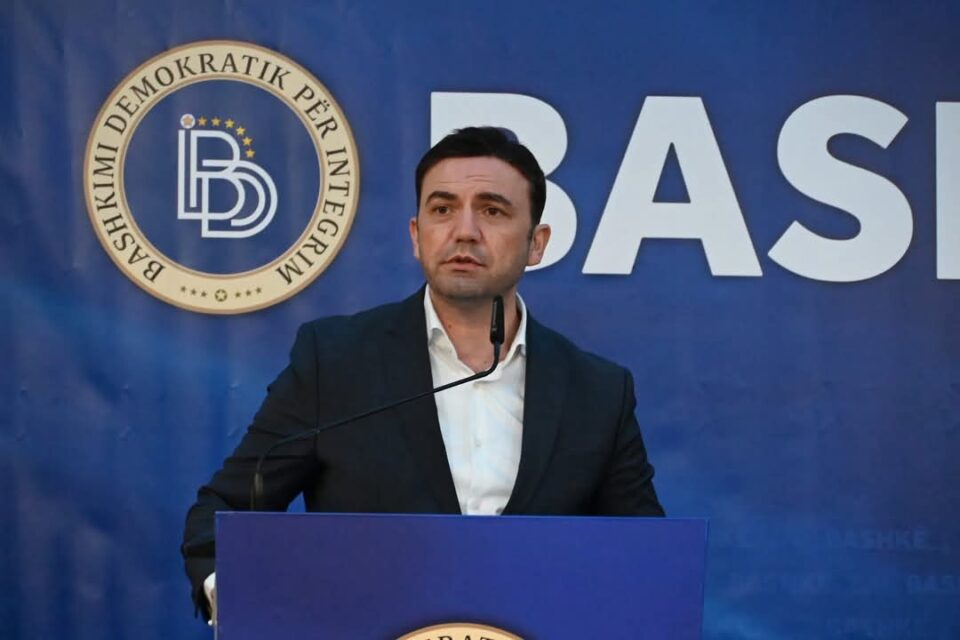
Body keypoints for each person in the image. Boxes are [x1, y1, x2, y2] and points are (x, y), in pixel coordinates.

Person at [181, 126, 664, 624]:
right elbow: (225, 512)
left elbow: (648, 557)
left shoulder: (597, 392)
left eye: (492, 211)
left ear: (536, 244)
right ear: (417, 236)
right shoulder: (338, 362)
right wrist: (242, 601)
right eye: (443, 209)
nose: (465, 231)